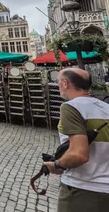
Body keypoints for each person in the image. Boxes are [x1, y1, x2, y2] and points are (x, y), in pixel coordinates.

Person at [43, 68, 109, 211]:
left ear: (65, 84)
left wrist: (57, 164)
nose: (58, 84)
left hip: (83, 189)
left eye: (58, 81)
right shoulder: (106, 107)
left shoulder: (71, 107)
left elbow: (79, 155)